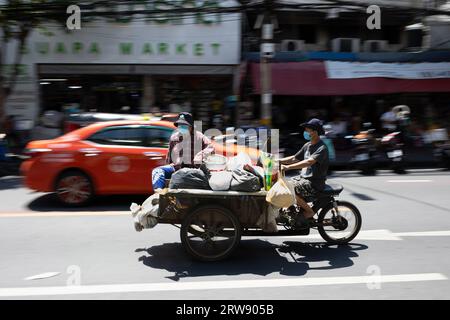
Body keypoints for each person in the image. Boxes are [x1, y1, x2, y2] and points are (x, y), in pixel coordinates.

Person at [279, 118, 329, 227]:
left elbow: (309, 162)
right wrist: (277, 161)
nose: (305, 132)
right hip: (303, 179)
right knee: (282, 184)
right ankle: (291, 210)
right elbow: (295, 158)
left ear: (315, 132)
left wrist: (287, 167)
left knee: (290, 188)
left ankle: (309, 211)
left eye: (308, 130)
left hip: (314, 183)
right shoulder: (307, 145)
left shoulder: (322, 148)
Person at [151, 112, 214, 193]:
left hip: (193, 170)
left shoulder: (199, 136)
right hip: (176, 168)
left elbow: (211, 148)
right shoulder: (174, 137)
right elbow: (169, 156)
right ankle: (159, 193)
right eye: (180, 126)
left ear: (191, 127)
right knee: (157, 171)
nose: (181, 128)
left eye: (184, 126)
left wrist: (200, 156)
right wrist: (168, 167)